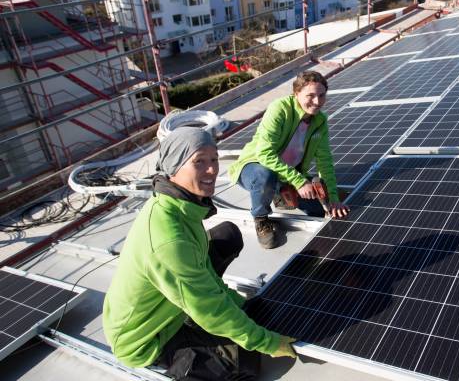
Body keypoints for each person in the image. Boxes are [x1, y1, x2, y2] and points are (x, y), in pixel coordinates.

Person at [103, 127, 297, 380]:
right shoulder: (169, 240)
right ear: (174, 168)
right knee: (242, 364)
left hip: (169, 300)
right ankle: (182, 364)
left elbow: (204, 269)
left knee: (227, 235)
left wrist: (240, 305)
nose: (212, 170)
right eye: (199, 162)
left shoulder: (180, 204)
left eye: (214, 159)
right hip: (147, 337)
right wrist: (268, 342)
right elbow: (209, 309)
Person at [228, 70, 350, 249]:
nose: (317, 102)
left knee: (325, 205)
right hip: (254, 167)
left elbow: (325, 160)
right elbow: (264, 154)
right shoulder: (280, 109)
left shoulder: (320, 121)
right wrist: (299, 181)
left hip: (286, 174)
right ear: (296, 94)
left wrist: (332, 197)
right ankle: (261, 219)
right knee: (264, 176)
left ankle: (281, 193)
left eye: (322, 95)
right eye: (310, 95)